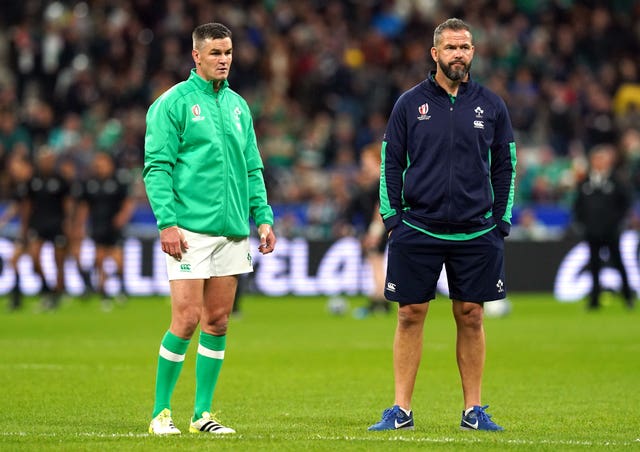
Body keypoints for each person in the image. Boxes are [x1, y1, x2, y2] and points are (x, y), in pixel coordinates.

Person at [368, 18, 516, 432]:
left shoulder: (492, 105)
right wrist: (393, 219)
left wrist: (500, 221)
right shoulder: (408, 104)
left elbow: (506, 164)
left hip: (476, 230)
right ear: (435, 53)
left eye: (465, 47)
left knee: (471, 314)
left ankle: (473, 411)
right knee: (410, 314)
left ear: (473, 52)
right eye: (450, 47)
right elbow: (390, 162)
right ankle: (401, 410)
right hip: (418, 226)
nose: (458, 55)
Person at [143, 22, 276, 436]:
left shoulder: (238, 106)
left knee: (218, 321)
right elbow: (157, 168)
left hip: (233, 230)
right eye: (216, 53)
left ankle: (202, 414)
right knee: (186, 318)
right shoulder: (172, 104)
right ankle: (160, 412)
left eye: (229, 52)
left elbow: (252, 167)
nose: (224, 60)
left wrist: (264, 216)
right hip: (189, 230)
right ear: (196, 56)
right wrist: (167, 223)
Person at [573, 143, 635, 310]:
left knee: (618, 262)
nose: (599, 162)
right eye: (597, 159)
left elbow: (625, 203)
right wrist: (582, 223)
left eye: (603, 159)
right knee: (594, 265)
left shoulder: (616, 181)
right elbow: (578, 205)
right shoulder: (586, 182)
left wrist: (618, 223)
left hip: (611, 231)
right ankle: (594, 299)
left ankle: (628, 297)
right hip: (592, 231)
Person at [74, 152, 136, 307]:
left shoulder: (119, 180)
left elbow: (129, 201)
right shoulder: (91, 183)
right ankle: (104, 293)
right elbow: (84, 206)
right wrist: (80, 225)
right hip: (97, 226)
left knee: (118, 262)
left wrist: (123, 216)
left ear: (109, 163)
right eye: (97, 163)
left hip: (114, 226)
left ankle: (121, 288)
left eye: (101, 162)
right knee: (99, 259)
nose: (99, 166)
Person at [25, 149, 73, 310]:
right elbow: (27, 205)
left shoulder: (60, 180)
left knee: (58, 261)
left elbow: (68, 203)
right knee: (34, 258)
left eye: (49, 160)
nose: (46, 163)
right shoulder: (33, 180)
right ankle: (46, 287)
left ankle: (57, 294)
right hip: (37, 224)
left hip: (57, 224)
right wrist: (25, 226)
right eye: (43, 160)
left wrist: (68, 224)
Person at [0, 156, 33, 310]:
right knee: (15, 261)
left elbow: (26, 209)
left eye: (16, 168)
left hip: (36, 228)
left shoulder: (31, 184)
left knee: (35, 262)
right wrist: (4, 220)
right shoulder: (21, 187)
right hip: (30, 228)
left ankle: (50, 292)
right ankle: (16, 297)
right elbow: (17, 207)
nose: (14, 172)